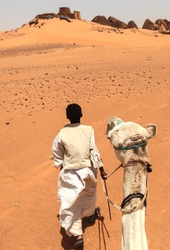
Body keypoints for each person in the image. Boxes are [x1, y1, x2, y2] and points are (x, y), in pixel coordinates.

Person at [52, 103, 107, 248]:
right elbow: (93, 151)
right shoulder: (89, 130)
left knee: (71, 202)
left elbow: (56, 150)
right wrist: (101, 169)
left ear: (67, 116)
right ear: (81, 114)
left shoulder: (62, 133)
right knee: (88, 196)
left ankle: (78, 234)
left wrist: (60, 164)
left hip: (70, 173)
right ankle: (89, 215)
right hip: (88, 171)